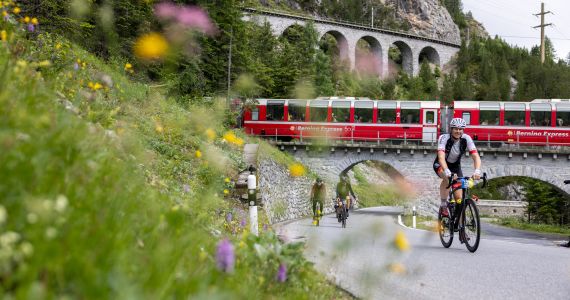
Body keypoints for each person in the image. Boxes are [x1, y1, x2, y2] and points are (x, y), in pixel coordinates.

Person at [433, 118, 482, 218]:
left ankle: (461, 230)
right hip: (441, 164)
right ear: (451, 129)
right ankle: (443, 205)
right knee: (447, 179)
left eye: (461, 129)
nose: (458, 131)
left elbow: (476, 156)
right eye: (456, 129)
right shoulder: (444, 138)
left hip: (455, 166)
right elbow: (441, 157)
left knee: (459, 200)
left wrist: (477, 171)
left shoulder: (466, 138)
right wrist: (447, 171)